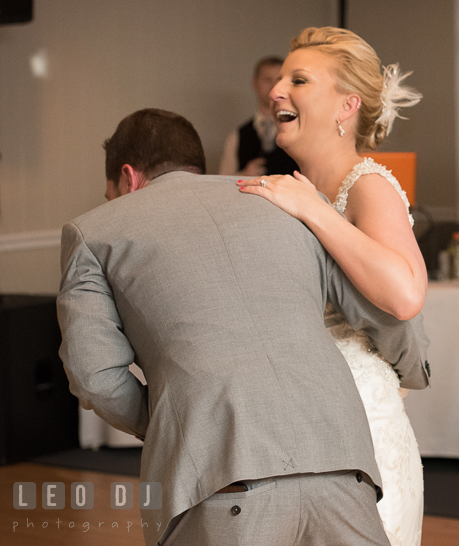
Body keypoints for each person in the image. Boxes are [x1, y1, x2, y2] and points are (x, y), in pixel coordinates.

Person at [57, 109, 430, 546]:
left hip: (219, 476)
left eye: (111, 194)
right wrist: (411, 370)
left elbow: (94, 376)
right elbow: (379, 307)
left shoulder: (92, 232)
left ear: (128, 176)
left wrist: (172, 421)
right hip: (341, 462)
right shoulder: (280, 200)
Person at [237, 26, 427, 546]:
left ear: (347, 106)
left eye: (298, 80)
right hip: (291, 428)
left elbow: (406, 294)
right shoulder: (296, 190)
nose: (276, 92)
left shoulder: (368, 185)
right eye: (278, 81)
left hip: (358, 434)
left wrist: (315, 214)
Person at [218, 56, 299, 176]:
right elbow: (221, 184)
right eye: (267, 80)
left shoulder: (299, 131)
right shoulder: (236, 137)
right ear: (255, 83)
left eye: (279, 80)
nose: (274, 87)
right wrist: (243, 175)